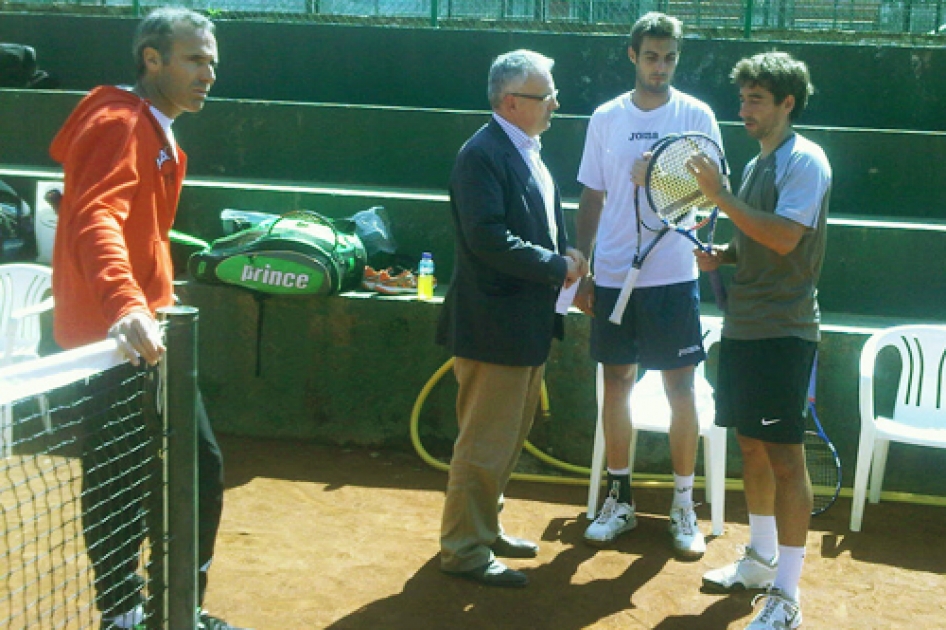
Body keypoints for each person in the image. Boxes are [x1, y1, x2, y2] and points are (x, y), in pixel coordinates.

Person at [49, 8, 246, 630]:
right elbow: (96, 217)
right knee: (119, 481)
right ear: (152, 60)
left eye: (212, 60)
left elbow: (108, 213)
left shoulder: (151, 126)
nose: (209, 73)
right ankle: (123, 613)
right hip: (119, 340)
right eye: (194, 59)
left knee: (196, 467)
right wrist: (126, 303)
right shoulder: (118, 122)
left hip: (154, 335)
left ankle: (179, 603)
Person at [689, 51, 831, 629]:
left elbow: (782, 238)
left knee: (786, 459)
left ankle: (787, 595)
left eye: (756, 99)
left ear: (787, 103)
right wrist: (721, 255)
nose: (743, 108)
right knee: (751, 444)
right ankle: (760, 559)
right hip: (745, 328)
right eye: (742, 97)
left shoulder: (804, 162)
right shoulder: (756, 165)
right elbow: (752, 240)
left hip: (782, 332)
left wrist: (719, 197)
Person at [573, 12, 723, 558]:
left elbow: (712, 198)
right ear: (633, 55)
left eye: (670, 58)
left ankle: (684, 504)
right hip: (613, 273)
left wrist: (661, 178)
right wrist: (583, 262)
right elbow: (592, 195)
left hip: (672, 275)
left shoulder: (697, 115)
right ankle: (619, 497)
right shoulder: (606, 117)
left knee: (680, 388)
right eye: (652, 56)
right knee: (617, 381)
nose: (661, 67)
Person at [436, 49, 587, 588]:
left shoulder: (525, 150)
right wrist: (556, 266)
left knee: (505, 438)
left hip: (523, 325)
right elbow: (488, 237)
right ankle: (464, 549)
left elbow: (543, 223)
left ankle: (484, 528)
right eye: (545, 95)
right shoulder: (482, 154)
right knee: (483, 445)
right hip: (493, 326)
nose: (555, 104)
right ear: (510, 102)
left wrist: (565, 259)